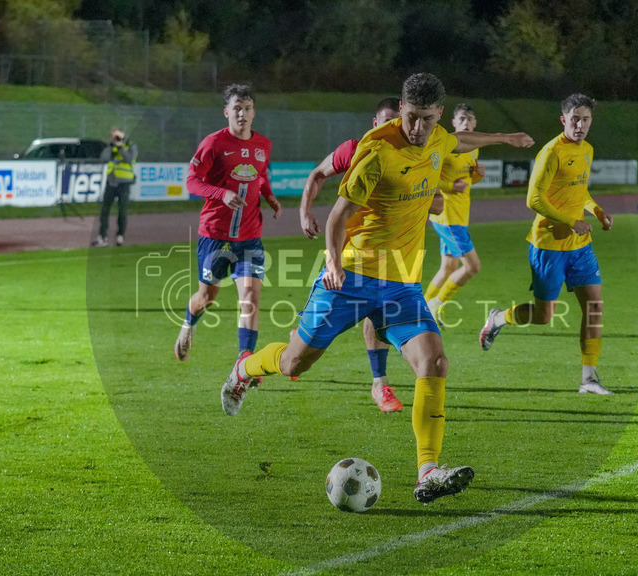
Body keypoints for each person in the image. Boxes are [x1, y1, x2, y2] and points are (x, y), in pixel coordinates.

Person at [222, 73, 533, 504]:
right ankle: (243, 370)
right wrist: (331, 263)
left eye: (426, 119)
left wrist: (504, 138)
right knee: (295, 363)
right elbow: (337, 217)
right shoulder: (377, 151)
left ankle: (428, 470)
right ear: (401, 110)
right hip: (351, 277)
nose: (417, 128)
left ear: (438, 115)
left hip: (402, 284)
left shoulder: (440, 137)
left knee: (435, 362)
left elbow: (459, 141)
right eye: (410, 118)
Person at [478, 93, 615, 395]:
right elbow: (533, 199)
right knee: (543, 316)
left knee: (594, 308)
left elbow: (580, 192)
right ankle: (498, 318)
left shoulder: (587, 150)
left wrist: (596, 210)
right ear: (563, 119)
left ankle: (589, 379)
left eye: (586, 119)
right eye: (575, 119)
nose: (580, 125)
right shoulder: (551, 152)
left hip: (580, 245)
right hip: (548, 246)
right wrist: (570, 220)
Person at [299, 97, 407, 413]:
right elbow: (318, 174)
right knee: (300, 352)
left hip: (385, 256)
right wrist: (305, 212)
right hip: (346, 255)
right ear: (375, 123)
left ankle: (380, 383)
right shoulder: (355, 150)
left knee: (376, 310)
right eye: (386, 119)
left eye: (396, 119)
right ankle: (292, 342)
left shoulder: (411, 157)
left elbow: (437, 201)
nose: (392, 125)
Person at [174, 84, 282, 362]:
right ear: (226, 112)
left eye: (246, 109)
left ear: (254, 112)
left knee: (250, 297)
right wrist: (221, 193)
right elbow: (191, 181)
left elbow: (260, 177)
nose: (242, 114)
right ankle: (189, 324)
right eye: (236, 108)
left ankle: (244, 359)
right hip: (215, 237)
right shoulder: (213, 143)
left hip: (249, 237)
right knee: (206, 299)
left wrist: (270, 197)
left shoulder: (263, 145)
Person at [425, 103, 487, 326]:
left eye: (470, 119)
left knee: (448, 268)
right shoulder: (446, 145)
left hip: (460, 216)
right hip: (447, 216)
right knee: (472, 267)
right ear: (453, 122)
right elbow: (429, 176)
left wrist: (477, 175)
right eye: (461, 118)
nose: (466, 123)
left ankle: (420, 310)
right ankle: (435, 304)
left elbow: (469, 180)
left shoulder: (474, 147)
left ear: (475, 123)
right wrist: (450, 184)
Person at [93, 128, 139, 246]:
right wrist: (112, 145)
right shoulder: (111, 147)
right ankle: (102, 237)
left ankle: (120, 236)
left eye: (118, 137)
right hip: (111, 183)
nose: (116, 139)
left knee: (122, 211)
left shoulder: (131, 146)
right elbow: (103, 158)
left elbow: (129, 159)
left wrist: (121, 146)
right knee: (104, 211)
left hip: (124, 183)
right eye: (115, 137)